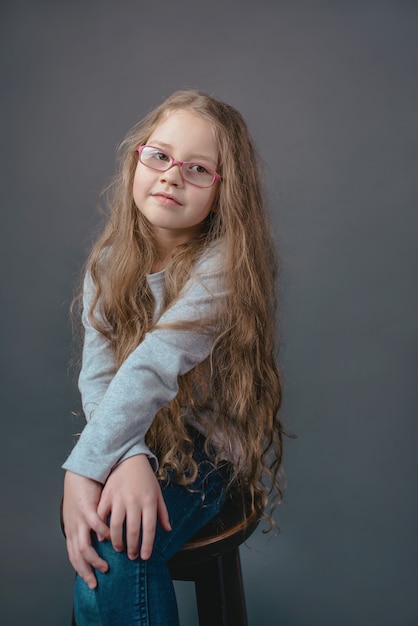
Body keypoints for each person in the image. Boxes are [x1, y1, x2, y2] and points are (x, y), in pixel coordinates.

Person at [62, 88, 284, 626]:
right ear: (137, 156)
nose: (170, 175)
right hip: (135, 429)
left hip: (206, 449)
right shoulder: (109, 261)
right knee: (109, 536)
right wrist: (129, 456)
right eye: (159, 155)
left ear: (223, 191)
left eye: (197, 168)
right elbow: (102, 378)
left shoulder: (223, 268)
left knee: (117, 548)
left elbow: (152, 366)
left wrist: (81, 470)